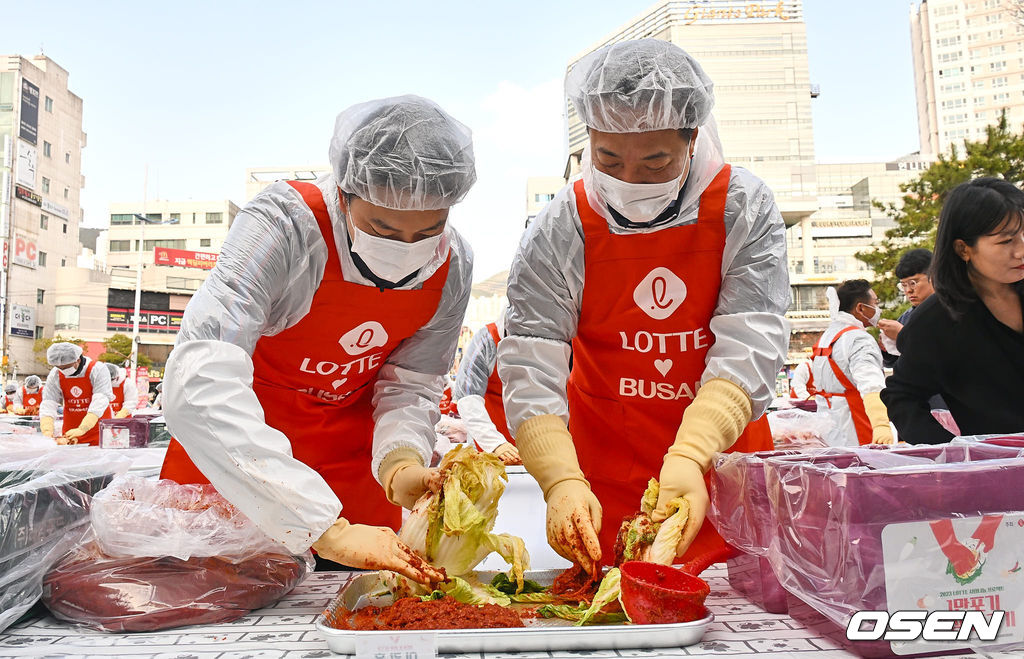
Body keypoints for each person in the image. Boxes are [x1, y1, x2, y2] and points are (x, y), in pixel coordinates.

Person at [498, 39, 787, 573]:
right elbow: (531, 357)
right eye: (608, 159)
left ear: (692, 137)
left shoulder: (742, 207)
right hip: (603, 470)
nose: (629, 180)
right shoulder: (561, 225)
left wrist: (689, 456)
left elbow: (750, 347)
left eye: (655, 162)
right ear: (588, 139)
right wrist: (559, 477)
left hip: (721, 459)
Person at [158, 95, 475, 583]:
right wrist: (319, 526)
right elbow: (198, 382)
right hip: (236, 467)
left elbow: (412, 384)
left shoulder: (453, 265)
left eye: (428, 230)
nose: (405, 249)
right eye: (381, 227)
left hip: (355, 481)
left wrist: (401, 463)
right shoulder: (285, 226)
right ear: (346, 194)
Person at [883, 178, 1024, 443]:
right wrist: (956, 454)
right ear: (963, 249)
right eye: (1006, 242)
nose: (1021, 251)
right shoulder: (936, 321)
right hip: (1005, 473)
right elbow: (902, 397)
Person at [809, 280, 894, 447]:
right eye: (875, 303)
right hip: (856, 423)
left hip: (828, 424)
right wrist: (881, 424)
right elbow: (871, 384)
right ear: (861, 308)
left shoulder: (827, 335)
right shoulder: (859, 339)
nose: (878, 309)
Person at [453, 306, 520, 465]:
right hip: (493, 447)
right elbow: (468, 398)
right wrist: (495, 444)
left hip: (540, 443)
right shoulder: (487, 340)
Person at [39, 342, 114, 445]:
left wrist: (84, 427)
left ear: (77, 360)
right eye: (59, 367)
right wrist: (47, 428)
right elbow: (49, 401)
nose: (63, 370)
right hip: (70, 432)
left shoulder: (97, 369)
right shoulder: (55, 374)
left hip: (98, 428)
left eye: (66, 367)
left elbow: (101, 399)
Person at [879, 248, 935, 364]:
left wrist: (902, 336)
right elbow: (896, 361)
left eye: (913, 283)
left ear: (934, 277)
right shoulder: (907, 316)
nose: (908, 290)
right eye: (903, 285)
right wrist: (886, 348)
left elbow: (942, 355)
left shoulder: (953, 312)